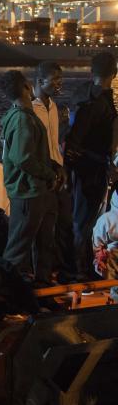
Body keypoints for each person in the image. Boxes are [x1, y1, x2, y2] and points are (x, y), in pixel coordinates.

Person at [1, 69, 61, 284]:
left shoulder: (22, 116)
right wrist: (49, 173)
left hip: (38, 190)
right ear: (26, 87)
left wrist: (52, 166)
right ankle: (8, 300)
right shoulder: (21, 119)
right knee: (18, 249)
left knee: (44, 244)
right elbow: (22, 158)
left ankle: (41, 291)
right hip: (28, 192)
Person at [66, 52, 118, 279]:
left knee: (84, 220)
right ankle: (81, 270)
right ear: (114, 74)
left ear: (91, 71)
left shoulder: (85, 98)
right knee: (84, 221)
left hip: (86, 168)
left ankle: (82, 265)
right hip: (91, 170)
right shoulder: (98, 103)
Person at [32, 61, 77, 280]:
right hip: (42, 178)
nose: (61, 83)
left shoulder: (53, 107)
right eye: (56, 79)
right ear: (40, 81)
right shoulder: (30, 108)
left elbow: (54, 143)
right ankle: (40, 279)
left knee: (64, 225)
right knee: (42, 233)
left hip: (58, 175)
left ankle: (58, 272)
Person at [92, 188, 118, 279]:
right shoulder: (106, 219)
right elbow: (98, 249)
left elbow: (97, 244)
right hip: (112, 260)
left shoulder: (105, 219)